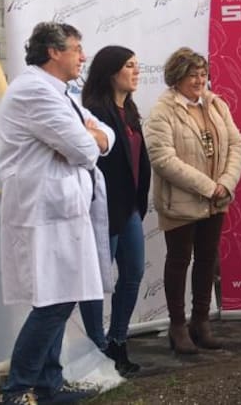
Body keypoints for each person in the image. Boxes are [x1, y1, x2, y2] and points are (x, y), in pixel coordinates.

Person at [0, 22, 111, 405]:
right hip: (44, 212)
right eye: (76, 49)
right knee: (54, 300)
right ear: (53, 52)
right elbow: (84, 149)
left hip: (61, 211)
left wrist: (93, 136)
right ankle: (17, 390)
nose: (83, 57)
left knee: (60, 295)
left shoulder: (60, 91)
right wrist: (90, 138)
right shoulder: (33, 91)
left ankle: (49, 384)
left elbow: (103, 136)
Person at [144, 47, 241, 355]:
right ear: (177, 78)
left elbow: (236, 145)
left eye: (203, 74)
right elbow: (163, 159)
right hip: (181, 202)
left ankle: (201, 321)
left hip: (216, 200)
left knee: (207, 259)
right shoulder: (162, 110)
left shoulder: (216, 104)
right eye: (193, 75)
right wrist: (208, 187)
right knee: (179, 260)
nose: (200, 80)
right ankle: (177, 325)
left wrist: (225, 184)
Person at [77, 46, 151, 377]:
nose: (136, 71)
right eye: (129, 66)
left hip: (130, 207)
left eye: (137, 65)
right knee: (95, 279)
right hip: (103, 209)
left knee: (133, 272)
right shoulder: (94, 112)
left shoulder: (130, 110)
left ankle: (118, 340)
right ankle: (96, 347)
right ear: (110, 72)